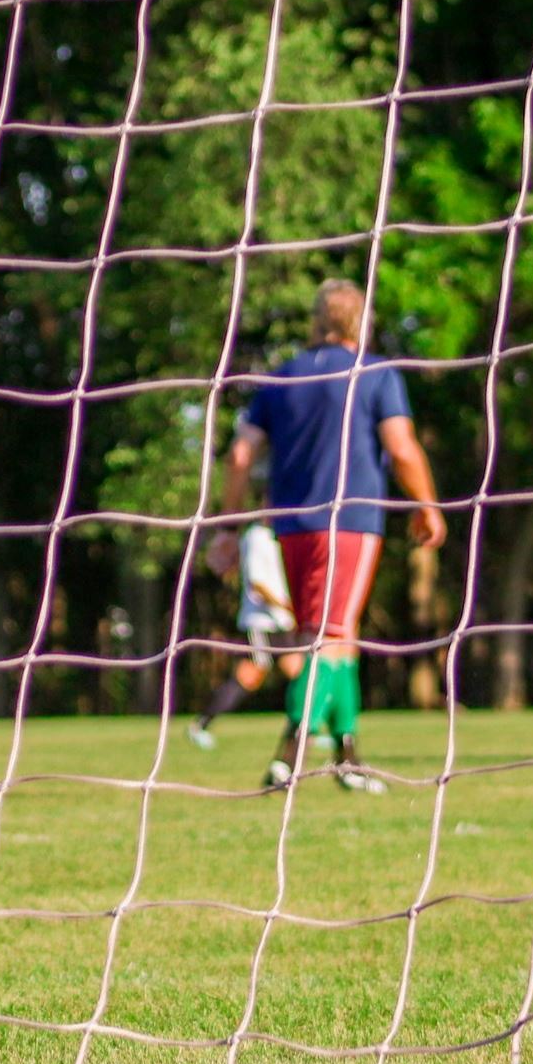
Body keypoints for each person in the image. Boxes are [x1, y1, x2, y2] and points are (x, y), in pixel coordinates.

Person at [225, 281, 445, 794]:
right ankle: (287, 756)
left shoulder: (281, 377)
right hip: (348, 522)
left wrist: (228, 523)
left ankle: (347, 757)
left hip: (291, 526)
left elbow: (240, 455)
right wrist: (427, 505)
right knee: (328, 639)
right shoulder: (374, 373)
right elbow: (403, 446)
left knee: (337, 639)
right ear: (359, 323)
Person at [190, 520, 293, 750]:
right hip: (262, 622)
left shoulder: (280, 534)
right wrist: (288, 607)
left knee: (302, 672)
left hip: (280, 623)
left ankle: (309, 728)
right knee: (249, 677)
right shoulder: (256, 536)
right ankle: (201, 724)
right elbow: (257, 584)